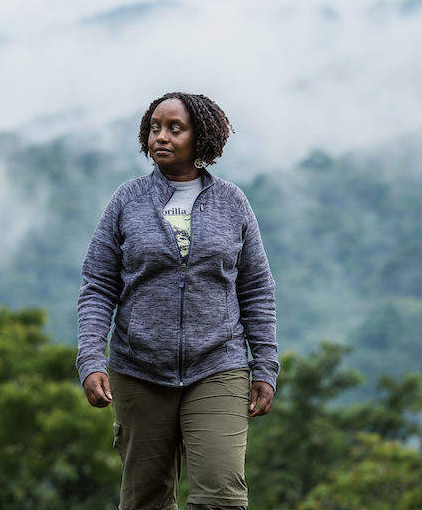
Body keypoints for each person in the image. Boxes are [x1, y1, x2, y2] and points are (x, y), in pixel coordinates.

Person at [76, 92, 279, 510]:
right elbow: (98, 284)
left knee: (221, 496)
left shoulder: (232, 202)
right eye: (154, 128)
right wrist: (91, 358)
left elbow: (257, 289)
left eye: (174, 128)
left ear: (200, 137)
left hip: (218, 366)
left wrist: (265, 365)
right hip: (138, 370)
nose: (160, 137)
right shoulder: (126, 201)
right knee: (145, 499)